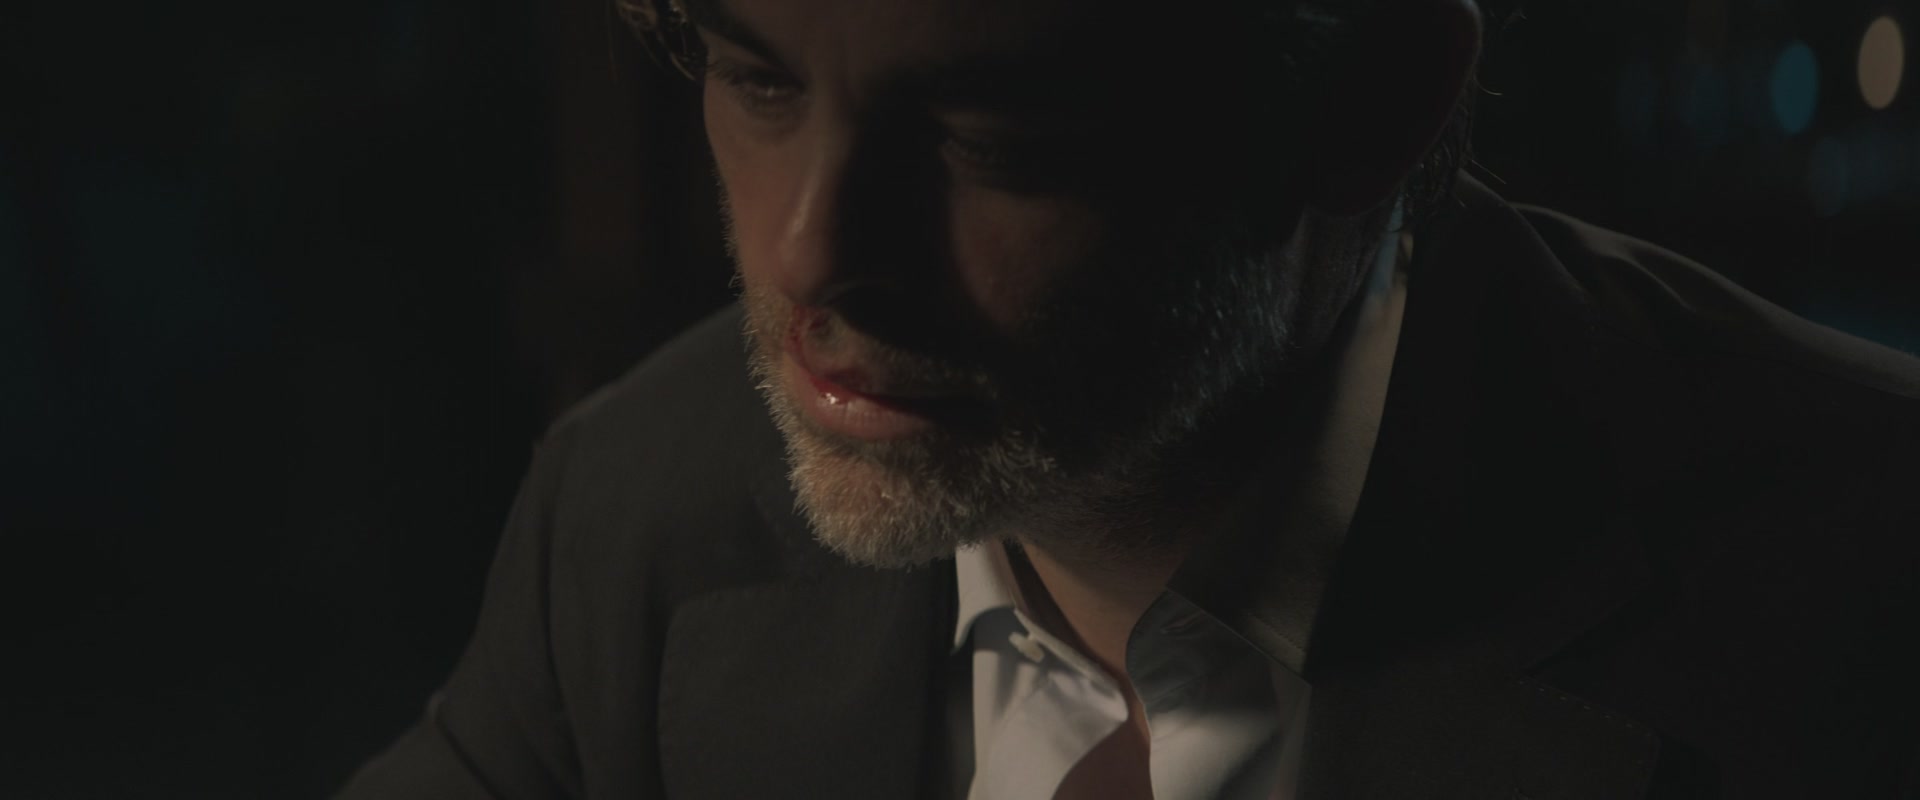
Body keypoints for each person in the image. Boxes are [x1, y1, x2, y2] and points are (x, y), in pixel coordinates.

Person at [339, 0, 1920, 797]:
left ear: (1371, 103)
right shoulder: (633, 523)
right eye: (756, 77)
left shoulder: (1861, 596)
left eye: (993, 132)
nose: (810, 250)